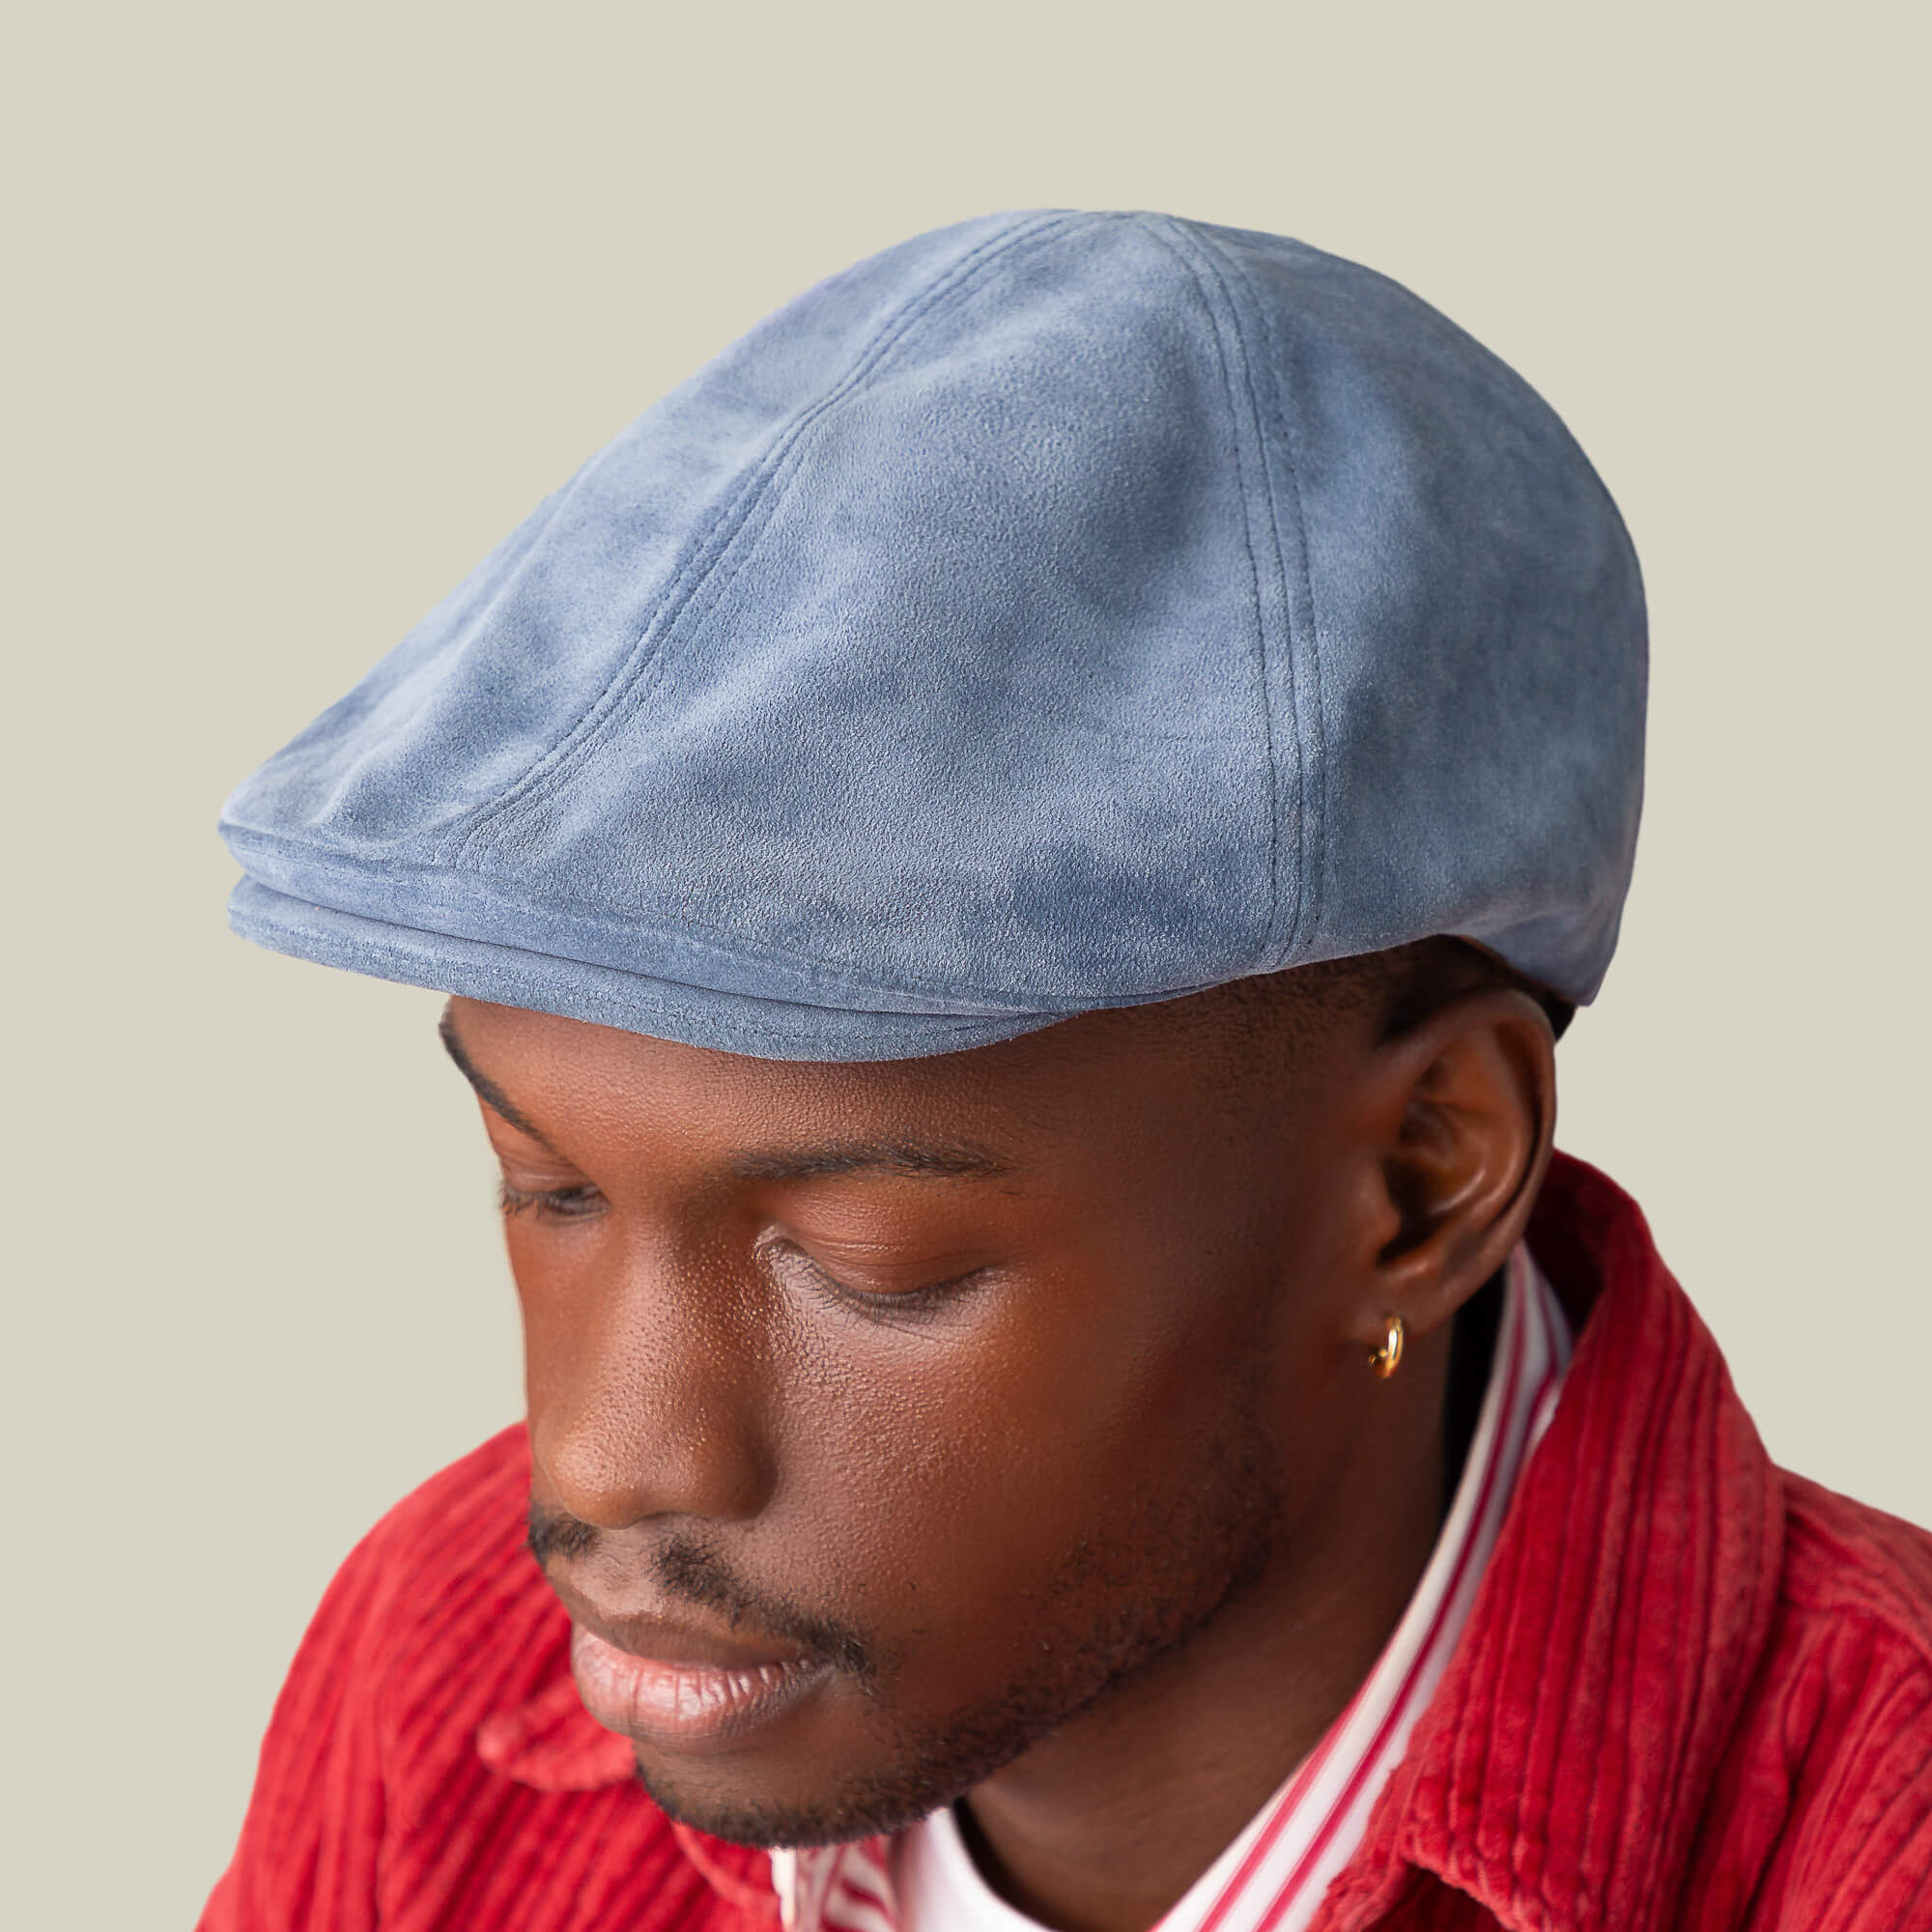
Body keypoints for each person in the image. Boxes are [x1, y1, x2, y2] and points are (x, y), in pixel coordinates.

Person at [203, 212, 1931, 1932]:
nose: (604, 1463)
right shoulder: (440, 1663)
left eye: (869, 1261)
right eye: (548, 1185)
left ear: (1420, 1176)